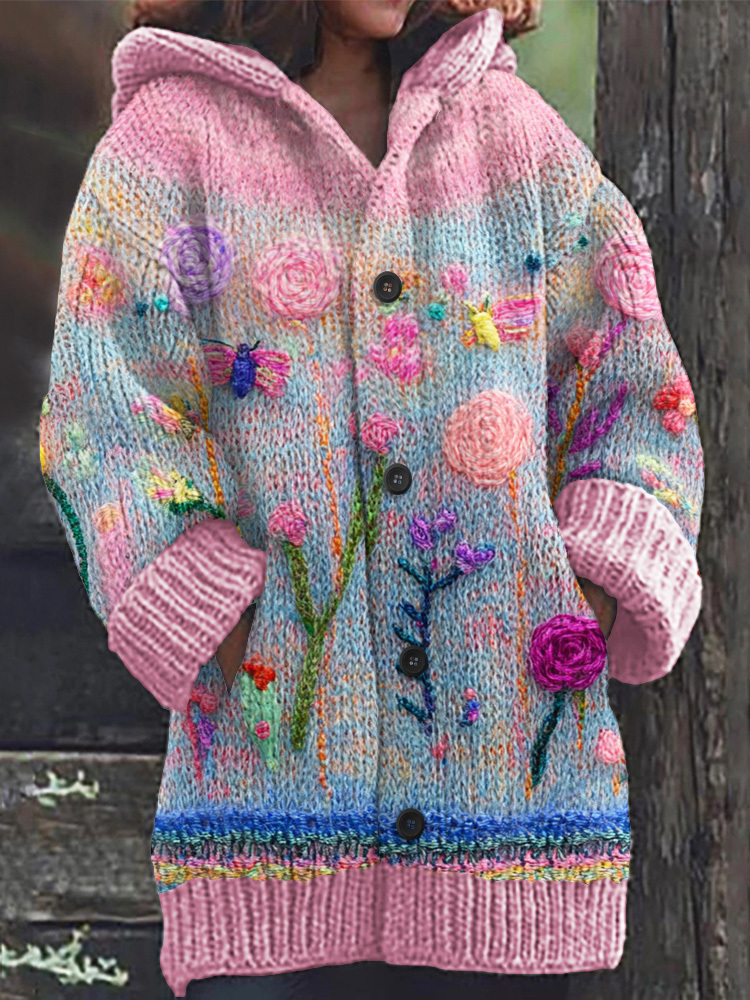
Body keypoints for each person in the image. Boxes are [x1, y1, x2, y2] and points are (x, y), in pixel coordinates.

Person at [38, 0, 704, 997]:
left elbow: (635, 388)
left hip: (511, 832)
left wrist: (588, 600)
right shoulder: (168, 149)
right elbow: (105, 420)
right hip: (265, 828)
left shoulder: (515, 143)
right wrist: (230, 626)